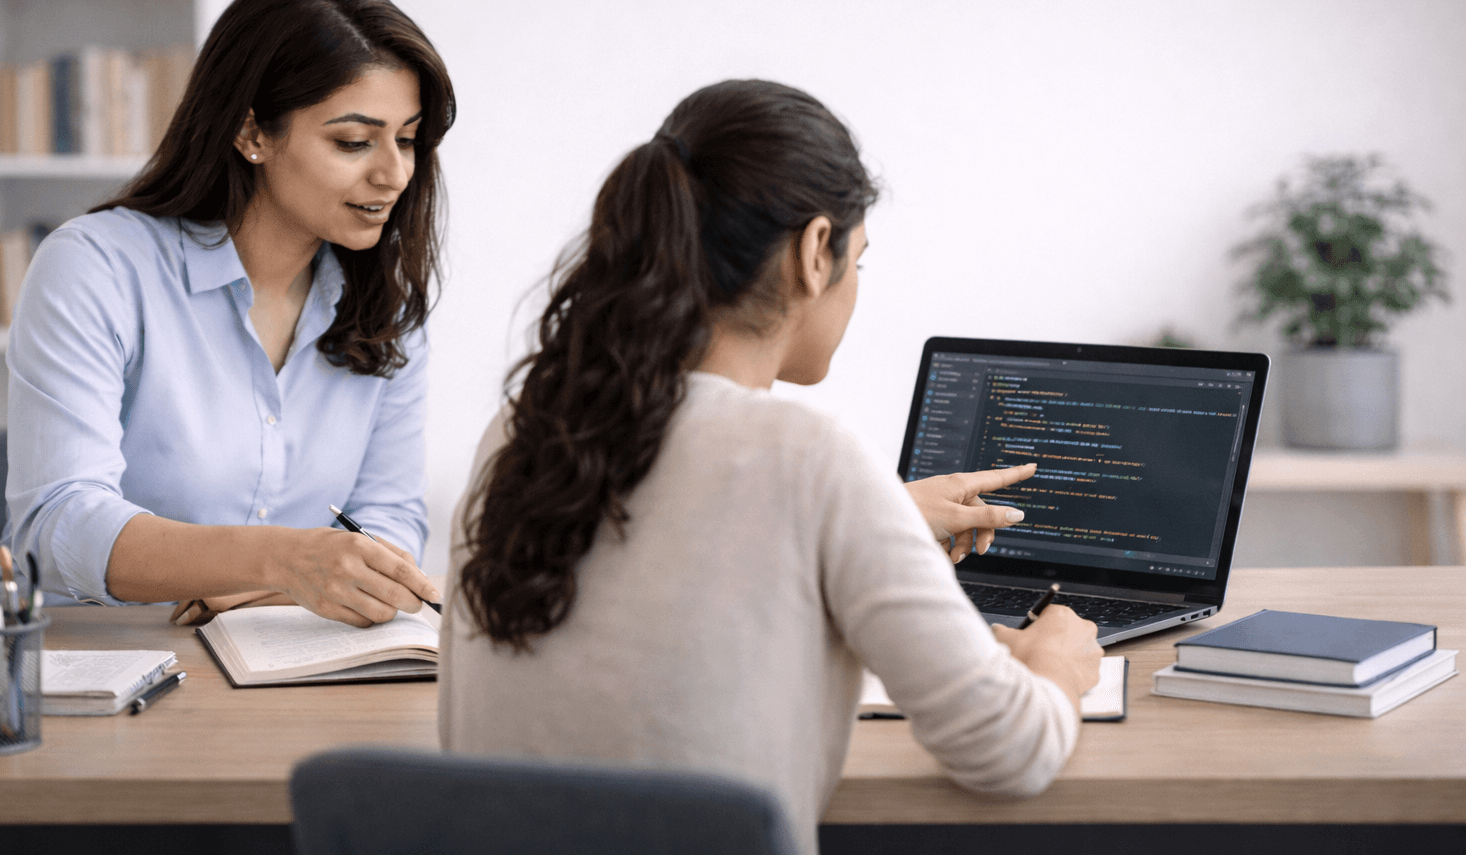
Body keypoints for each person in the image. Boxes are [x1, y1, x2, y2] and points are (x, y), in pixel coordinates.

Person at [438, 79, 1103, 854]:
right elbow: (1009, 748)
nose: (856, 287)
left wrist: (877, 519)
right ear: (815, 251)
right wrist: (1056, 656)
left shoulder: (519, 433)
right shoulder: (811, 459)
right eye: (859, 259)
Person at [0, 0, 447, 626]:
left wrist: (269, 590)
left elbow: (389, 520)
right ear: (252, 134)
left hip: (270, 654)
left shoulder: (387, 306)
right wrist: (278, 563)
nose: (394, 173)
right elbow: (60, 520)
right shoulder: (97, 266)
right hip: (72, 651)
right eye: (353, 142)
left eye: (406, 139)